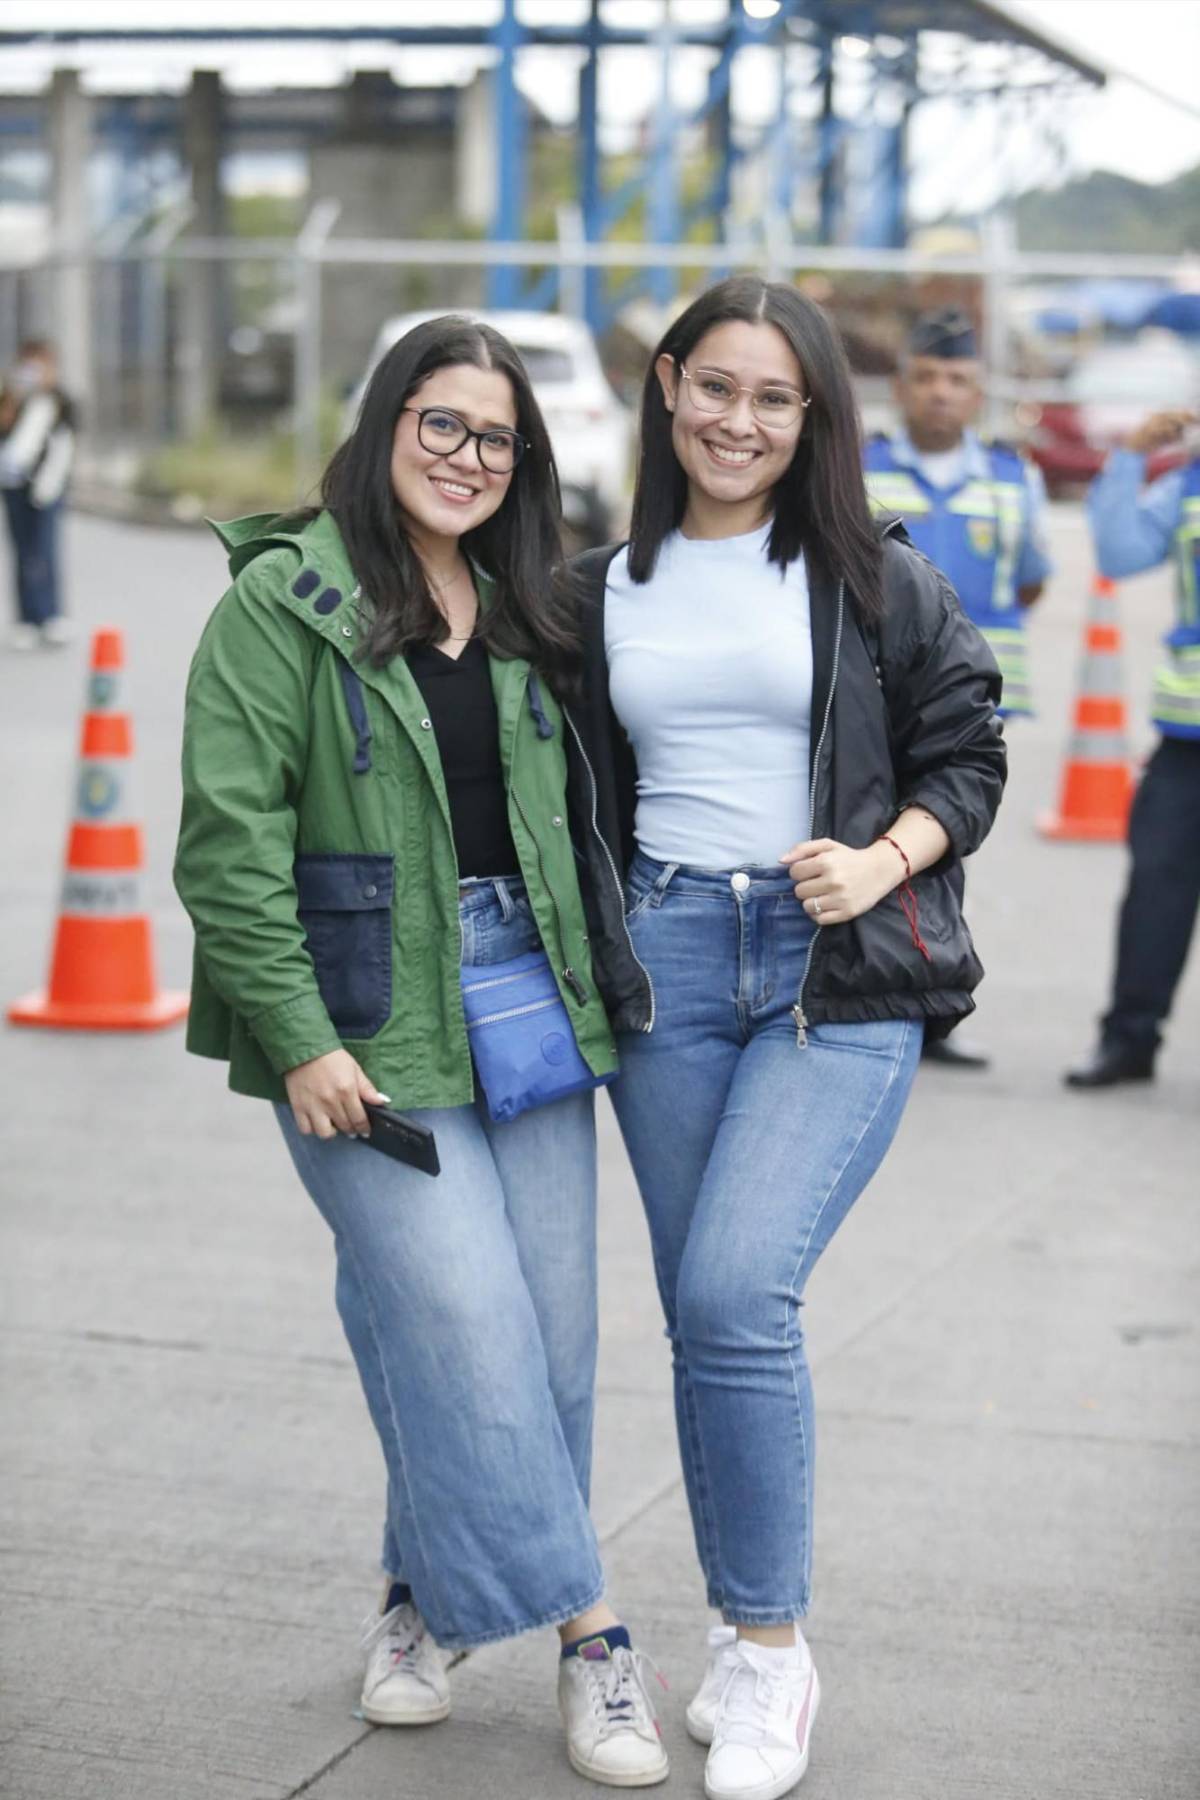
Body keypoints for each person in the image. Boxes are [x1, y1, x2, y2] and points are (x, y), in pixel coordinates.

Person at [173, 315, 670, 1789]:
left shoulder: (534, 606)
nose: (468, 457)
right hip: (365, 1012)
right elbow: (228, 845)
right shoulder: (284, 603)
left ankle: (417, 1602)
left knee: (548, 1344)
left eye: (497, 439)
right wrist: (303, 1037)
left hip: (529, 988)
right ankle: (597, 1637)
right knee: (458, 1321)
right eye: (442, 425)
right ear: (385, 423)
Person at [569, 276, 1006, 1800]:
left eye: (776, 399)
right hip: (669, 962)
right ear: (669, 387)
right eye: (716, 388)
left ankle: (769, 1652)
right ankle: (741, 1628)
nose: (739, 422)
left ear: (813, 416)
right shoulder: (596, 587)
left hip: (835, 972)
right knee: (704, 1313)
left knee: (738, 1289)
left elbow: (970, 750)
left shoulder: (878, 579)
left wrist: (881, 861)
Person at [863, 307, 1052, 1068]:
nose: (942, 393)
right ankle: (875, 991)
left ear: (978, 393)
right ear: (902, 387)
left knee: (942, 846)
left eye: (960, 380)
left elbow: (1031, 579)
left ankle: (929, 1003)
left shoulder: (1014, 478)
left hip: (965, 712)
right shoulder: (856, 465)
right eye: (928, 377)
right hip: (868, 700)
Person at [1065, 407, 1200, 1088]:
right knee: (1156, 890)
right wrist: (1129, 458)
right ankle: (1129, 1039)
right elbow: (1120, 551)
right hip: (1187, 738)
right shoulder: (1189, 483)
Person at [0, 337, 76, 650]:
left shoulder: (60, 399)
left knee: (45, 551)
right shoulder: (10, 397)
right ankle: (26, 619)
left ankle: (51, 615)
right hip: (14, 487)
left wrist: (46, 392)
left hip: (48, 487)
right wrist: (14, 399)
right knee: (21, 551)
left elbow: (68, 440)